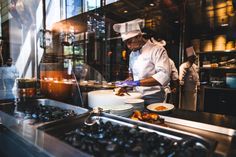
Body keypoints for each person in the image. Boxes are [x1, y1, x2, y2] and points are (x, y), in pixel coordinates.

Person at [113, 19, 171, 105]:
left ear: (139, 36)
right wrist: (124, 83)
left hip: (153, 97)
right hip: (136, 96)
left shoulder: (157, 50)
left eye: (130, 42)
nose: (128, 46)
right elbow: (131, 76)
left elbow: (164, 76)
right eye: (126, 43)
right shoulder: (132, 54)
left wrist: (136, 83)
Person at [179, 47, 200, 111]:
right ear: (189, 57)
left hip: (194, 90)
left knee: (193, 107)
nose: (194, 58)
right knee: (187, 107)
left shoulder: (195, 66)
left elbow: (197, 77)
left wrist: (198, 86)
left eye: (194, 57)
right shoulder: (184, 66)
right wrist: (181, 87)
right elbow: (181, 79)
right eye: (193, 57)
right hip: (187, 90)